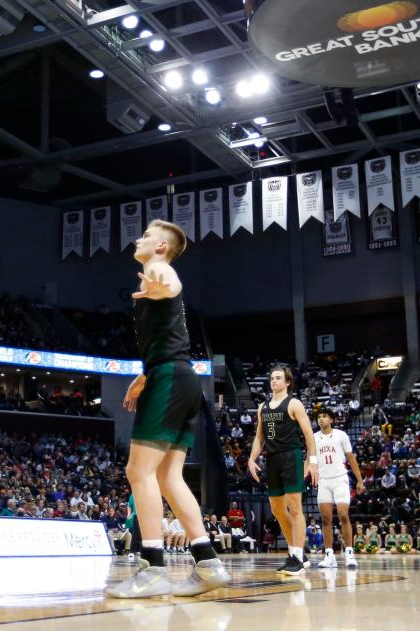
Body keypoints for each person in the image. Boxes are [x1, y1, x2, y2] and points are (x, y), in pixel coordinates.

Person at [109, 220, 229, 598]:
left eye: (146, 236)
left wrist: (160, 280)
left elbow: (170, 280)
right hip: (179, 378)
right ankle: (208, 562)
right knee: (167, 477)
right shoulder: (152, 283)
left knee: (138, 470)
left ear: (161, 246)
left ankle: (153, 567)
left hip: (171, 380)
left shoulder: (162, 271)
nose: (138, 239)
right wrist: (145, 375)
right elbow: (168, 339)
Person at [248, 366, 319, 576]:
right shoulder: (263, 407)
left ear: (287, 382)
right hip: (272, 459)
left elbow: (308, 434)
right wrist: (252, 458)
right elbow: (260, 437)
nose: (273, 381)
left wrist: (312, 461)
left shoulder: (294, 403)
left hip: (291, 456)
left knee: (295, 507)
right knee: (278, 510)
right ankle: (297, 555)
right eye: (271, 378)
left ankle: (296, 556)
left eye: (278, 378)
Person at [313, 408, 364, 569]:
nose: (321, 419)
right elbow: (310, 459)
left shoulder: (341, 435)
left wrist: (360, 480)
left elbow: (351, 458)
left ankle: (349, 552)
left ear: (332, 420)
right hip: (324, 481)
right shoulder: (313, 438)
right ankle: (329, 555)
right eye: (319, 417)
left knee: (343, 514)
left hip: (340, 478)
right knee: (326, 519)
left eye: (324, 416)